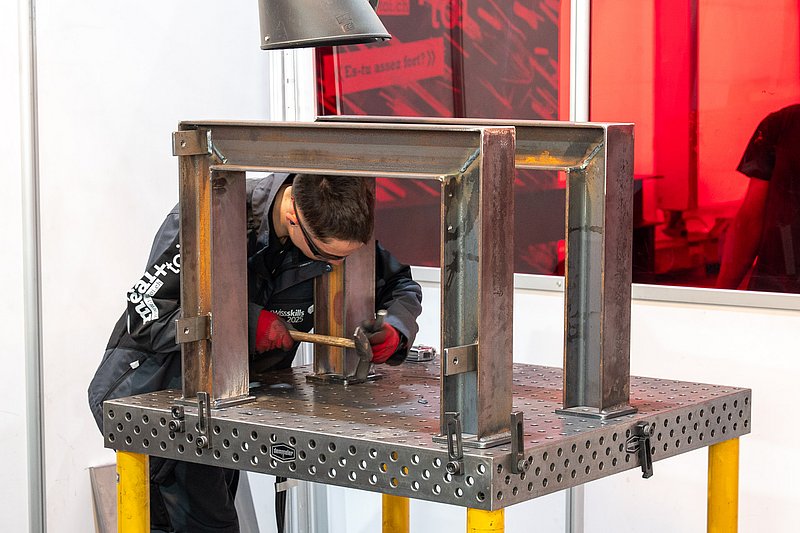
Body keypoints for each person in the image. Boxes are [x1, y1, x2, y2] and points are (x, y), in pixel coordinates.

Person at [88, 173, 423, 532]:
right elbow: (146, 316)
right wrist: (242, 324)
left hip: (227, 403)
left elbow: (400, 285)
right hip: (158, 397)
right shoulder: (208, 216)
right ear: (293, 214)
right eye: (327, 256)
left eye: (347, 256)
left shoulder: (331, 223)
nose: (339, 266)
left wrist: (396, 330)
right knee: (209, 526)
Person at [717, 104, 800, 292]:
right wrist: (719, 297)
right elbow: (749, 222)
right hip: (778, 290)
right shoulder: (780, 125)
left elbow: (749, 222)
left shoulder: (782, 124)